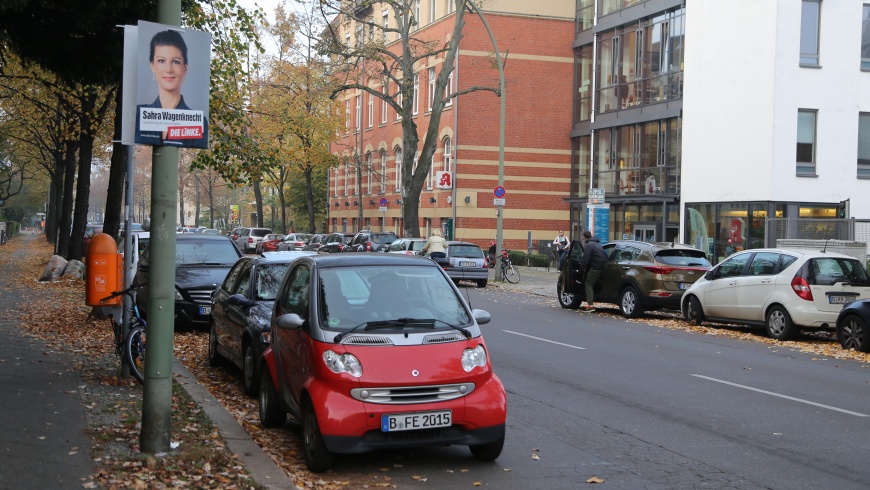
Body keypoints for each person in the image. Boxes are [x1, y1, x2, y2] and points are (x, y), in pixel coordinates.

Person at [135, 29, 208, 149]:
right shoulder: (138, 115)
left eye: (175, 62)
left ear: (185, 68)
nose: (168, 69)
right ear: (152, 65)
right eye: (161, 61)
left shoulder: (198, 123)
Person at [579, 230, 607, 313]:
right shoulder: (597, 244)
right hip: (604, 267)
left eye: (583, 237)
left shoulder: (589, 245)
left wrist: (581, 270)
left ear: (584, 237)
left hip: (596, 267)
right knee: (596, 283)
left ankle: (590, 306)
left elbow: (585, 260)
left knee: (588, 284)